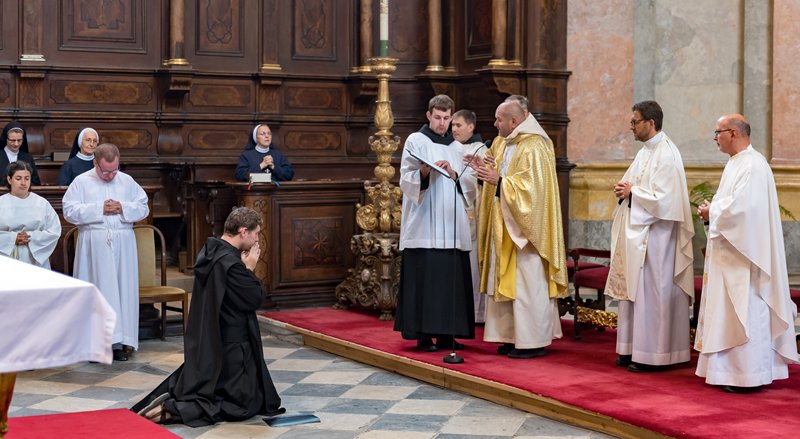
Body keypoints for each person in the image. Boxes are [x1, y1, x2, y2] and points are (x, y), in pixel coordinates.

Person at [132, 207, 285, 426]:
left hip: (214, 338)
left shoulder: (212, 250)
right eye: (255, 233)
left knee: (251, 397)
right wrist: (249, 268)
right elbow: (254, 298)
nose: (256, 239)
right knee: (242, 406)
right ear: (243, 231)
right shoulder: (231, 264)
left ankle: (176, 401)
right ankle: (175, 409)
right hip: (234, 346)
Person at [694, 114, 798, 393]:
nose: (715, 138)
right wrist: (712, 212)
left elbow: (745, 210)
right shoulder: (737, 164)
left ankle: (748, 375)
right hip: (732, 253)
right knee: (731, 311)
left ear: (734, 132)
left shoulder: (753, 165)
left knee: (747, 311)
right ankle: (729, 372)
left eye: (718, 132)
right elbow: (732, 205)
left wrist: (711, 211)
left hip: (745, 258)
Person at [465, 99, 567, 359]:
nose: (495, 124)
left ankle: (532, 341)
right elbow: (497, 175)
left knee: (527, 285)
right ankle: (510, 337)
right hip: (505, 226)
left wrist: (499, 182)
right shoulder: (502, 142)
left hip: (526, 235)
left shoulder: (534, 145)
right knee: (506, 283)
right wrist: (483, 171)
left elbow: (533, 192)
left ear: (514, 121)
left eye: (499, 120)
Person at [604, 101, 694, 372]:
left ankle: (656, 355)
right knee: (635, 294)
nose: (631, 127)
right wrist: (624, 190)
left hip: (658, 239)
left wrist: (633, 193)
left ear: (650, 123)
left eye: (635, 122)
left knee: (652, 294)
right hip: (639, 234)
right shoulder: (645, 152)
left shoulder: (666, 153)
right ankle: (631, 349)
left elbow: (667, 202)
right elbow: (633, 185)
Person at [393, 94, 476, 351]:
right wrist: (425, 172)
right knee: (426, 280)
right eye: (437, 117)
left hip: (452, 224)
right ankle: (424, 335)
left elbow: (470, 184)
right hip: (424, 222)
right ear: (428, 115)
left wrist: (454, 174)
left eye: (446, 118)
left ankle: (449, 334)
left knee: (451, 280)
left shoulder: (458, 147)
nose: (442, 123)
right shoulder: (416, 140)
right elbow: (405, 178)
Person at [62, 143, 149, 362]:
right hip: (95, 244)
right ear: (95, 163)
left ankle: (119, 343)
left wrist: (122, 207)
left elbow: (143, 206)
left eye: (114, 170)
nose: (110, 175)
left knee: (121, 291)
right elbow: (69, 211)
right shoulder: (81, 182)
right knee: (99, 292)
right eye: (105, 171)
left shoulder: (127, 181)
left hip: (123, 243)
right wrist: (99, 208)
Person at [451, 109, 486, 324]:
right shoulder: (447, 146)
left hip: (470, 212)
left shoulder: (480, 149)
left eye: (458, 125)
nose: (453, 129)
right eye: (452, 125)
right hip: (449, 213)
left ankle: (475, 313)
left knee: (472, 264)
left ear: (471, 127)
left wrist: (456, 177)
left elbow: (476, 182)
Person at [0, 162, 61, 268]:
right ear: (9, 180)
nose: (23, 183)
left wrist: (30, 237)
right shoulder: (1, 202)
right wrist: (12, 238)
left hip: (34, 257)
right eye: (18, 178)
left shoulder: (42, 203)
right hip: (6, 257)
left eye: (27, 178)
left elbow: (54, 230)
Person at [0, 121, 41, 186]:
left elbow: (35, 182)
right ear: (6, 139)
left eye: (19, 140)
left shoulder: (28, 158)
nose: (16, 144)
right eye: (13, 140)